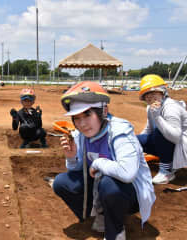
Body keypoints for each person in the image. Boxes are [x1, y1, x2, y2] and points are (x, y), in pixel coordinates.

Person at [52, 81, 155, 240]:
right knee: (61, 182)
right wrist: (71, 156)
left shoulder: (120, 130)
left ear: (103, 111)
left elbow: (127, 173)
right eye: (76, 118)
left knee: (109, 184)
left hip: (130, 194)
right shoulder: (81, 134)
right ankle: (97, 215)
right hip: (101, 187)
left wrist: (98, 163)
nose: (83, 123)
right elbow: (78, 170)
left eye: (87, 114)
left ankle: (116, 231)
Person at [137, 74, 187, 184]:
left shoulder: (170, 107)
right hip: (168, 143)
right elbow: (148, 130)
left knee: (159, 132)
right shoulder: (151, 108)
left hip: (181, 147)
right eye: (146, 94)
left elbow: (175, 137)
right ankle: (168, 161)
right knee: (136, 140)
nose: (149, 96)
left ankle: (167, 171)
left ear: (162, 92)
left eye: (153, 92)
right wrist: (135, 143)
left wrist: (158, 117)